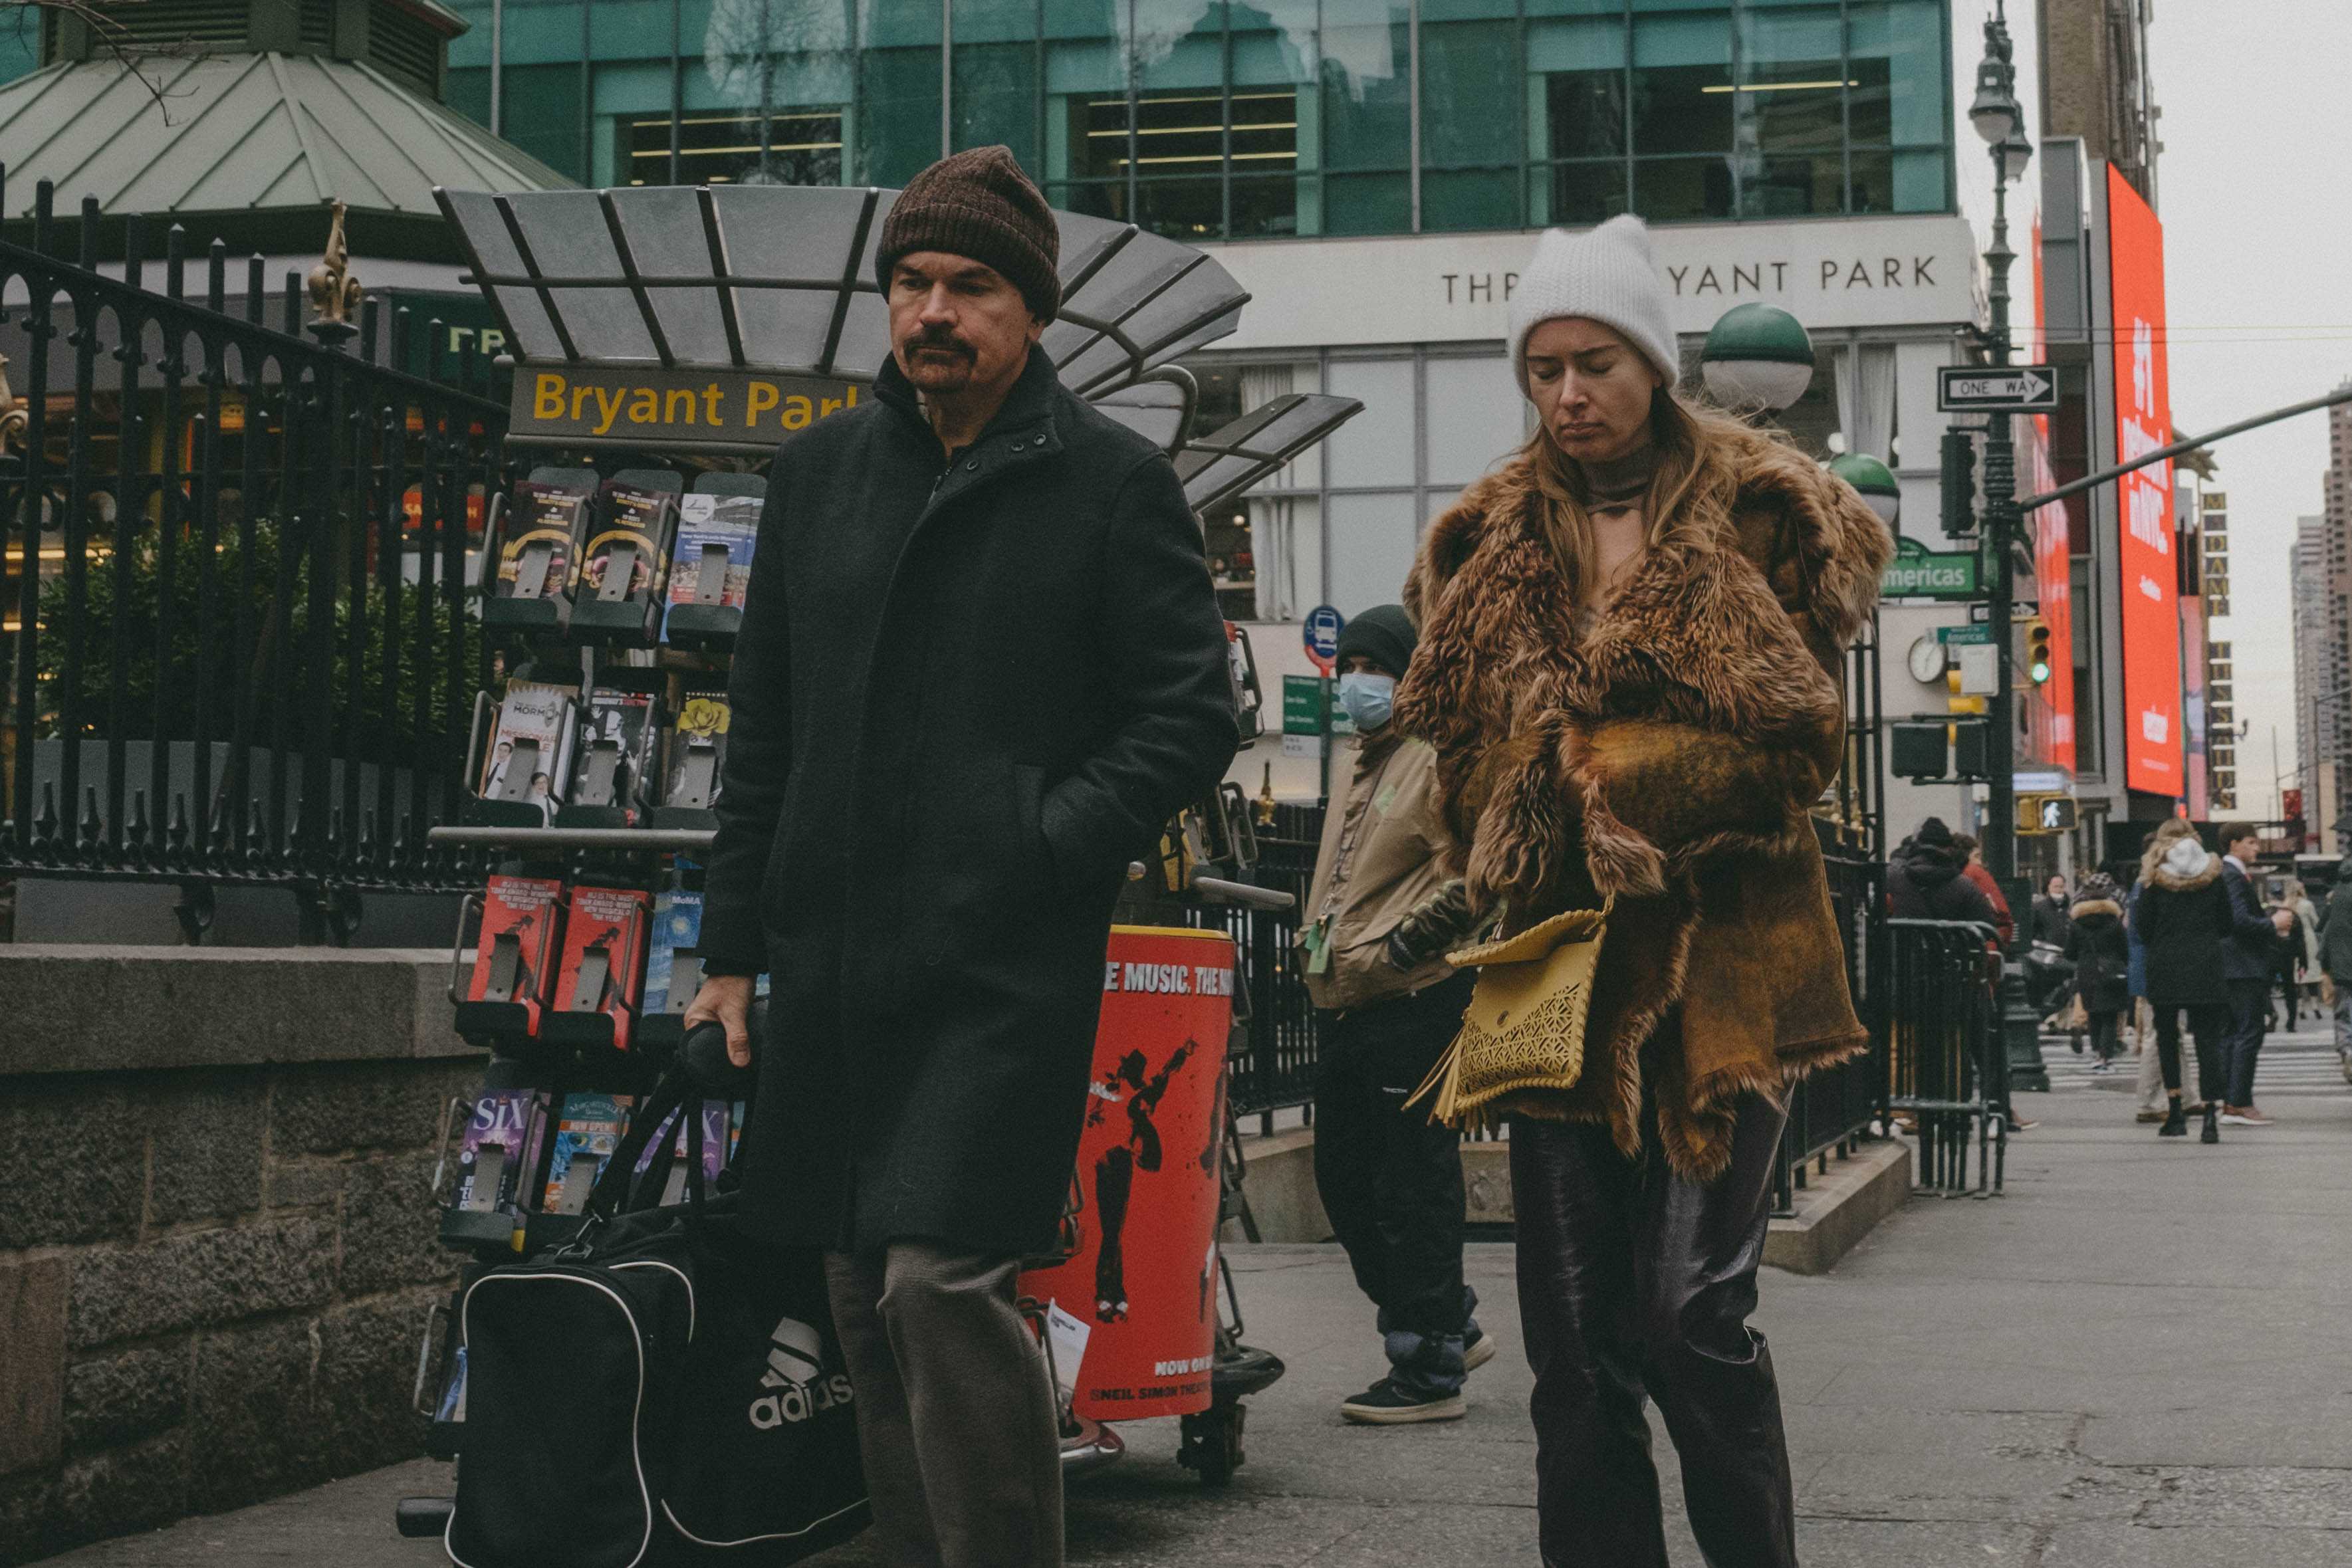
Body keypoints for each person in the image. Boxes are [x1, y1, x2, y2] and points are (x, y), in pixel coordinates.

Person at [683, 146, 1237, 1568]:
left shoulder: (1111, 483)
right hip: (832, 959)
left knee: (940, 1279)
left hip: (999, 962)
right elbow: (764, 728)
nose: (934, 309)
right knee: (859, 1292)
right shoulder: (815, 476)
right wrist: (729, 949)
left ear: (1031, 309)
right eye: (912, 282)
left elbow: (1187, 717)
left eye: (970, 285)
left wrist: (1041, 843)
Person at [1391, 214, 1891, 1568]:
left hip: (1727, 967)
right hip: (1556, 973)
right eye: (1542, 367)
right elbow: (1454, 769)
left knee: (1684, 1316)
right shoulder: (1485, 543)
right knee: (1570, 1350)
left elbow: (1791, 743)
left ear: (1652, 364)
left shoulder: (1761, 510)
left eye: (1594, 362)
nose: (1566, 394)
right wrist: (1526, 789)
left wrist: (1595, 771)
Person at [1300, 604, 1491, 1425]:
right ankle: (1445, 1315)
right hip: (1348, 1000)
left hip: (1412, 998)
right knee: (1343, 1175)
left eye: (1371, 666)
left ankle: (1427, 1362)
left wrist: (1407, 945)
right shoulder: (1359, 760)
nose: (1355, 683)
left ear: (1410, 673)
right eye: (1345, 667)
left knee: (1411, 1179)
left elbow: (1486, 865)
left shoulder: (1442, 756)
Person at [2131, 820, 2232, 1143]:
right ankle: (2210, 1118)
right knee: (2207, 1041)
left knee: (2167, 1038)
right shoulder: (2213, 875)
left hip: (2166, 965)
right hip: (2206, 964)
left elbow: (2143, 929)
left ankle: (2175, 1111)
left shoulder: (2154, 877)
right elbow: (2227, 924)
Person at [2214, 824, 2280, 1127]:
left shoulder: (2228, 875)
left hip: (2231, 967)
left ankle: (2231, 1100)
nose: (2257, 849)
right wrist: (2273, 923)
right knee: (2248, 1033)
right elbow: (2239, 921)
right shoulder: (2232, 876)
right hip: (2243, 966)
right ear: (2234, 844)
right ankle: (2239, 1102)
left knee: (2231, 1034)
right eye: (2252, 843)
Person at [2064, 873, 2130, 1070]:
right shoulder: (2114, 923)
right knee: (2110, 1016)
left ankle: (2095, 1050)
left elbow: (2070, 953)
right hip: (2111, 971)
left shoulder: (2077, 925)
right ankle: (2104, 1055)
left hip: (2087, 970)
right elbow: (2124, 950)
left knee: (2093, 1013)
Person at [1885, 818, 2002, 926]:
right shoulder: (1965, 886)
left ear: (1916, 847)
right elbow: (1987, 924)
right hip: (1952, 947)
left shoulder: (1895, 879)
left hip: (1907, 947)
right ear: (1949, 849)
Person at [1950, 832, 2016, 946]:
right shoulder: (1975, 873)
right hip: (1986, 945)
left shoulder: (1952, 877)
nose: (1980, 863)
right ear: (1964, 856)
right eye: (1976, 856)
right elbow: (2003, 915)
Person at [2321, 859, 2352, 1079]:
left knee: (2343, 1011)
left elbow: (2328, 929)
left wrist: (2325, 961)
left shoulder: (2338, 893)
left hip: (2341, 961)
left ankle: (2348, 1050)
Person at [2032, 873, 2074, 948]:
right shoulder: (2038, 908)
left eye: (2061, 887)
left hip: (2069, 952)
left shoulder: (2072, 907)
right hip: (2048, 951)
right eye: (2055, 887)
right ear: (2049, 887)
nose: (2058, 890)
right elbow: (2033, 932)